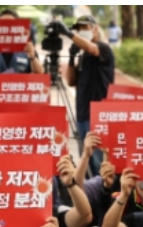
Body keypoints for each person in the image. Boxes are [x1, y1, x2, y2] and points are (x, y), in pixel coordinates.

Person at [55, 15, 116, 177]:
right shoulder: (83, 55)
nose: (81, 32)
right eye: (78, 29)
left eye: (85, 28)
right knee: (86, 160)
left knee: (98, 161)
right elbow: (70, 81)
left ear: (95, 29)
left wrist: (68, 34)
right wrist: (72, 58)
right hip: (82, 113)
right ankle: (90, 195)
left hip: (98, 116)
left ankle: (103, 194)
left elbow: (92, 48)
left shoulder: (103, 48)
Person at [0, 9, 45, 83]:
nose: (7, 27)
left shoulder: (27, 48)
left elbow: (40, 73)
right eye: (3, 23)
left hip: (18, 93)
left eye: (10, 24)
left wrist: (32, 57)